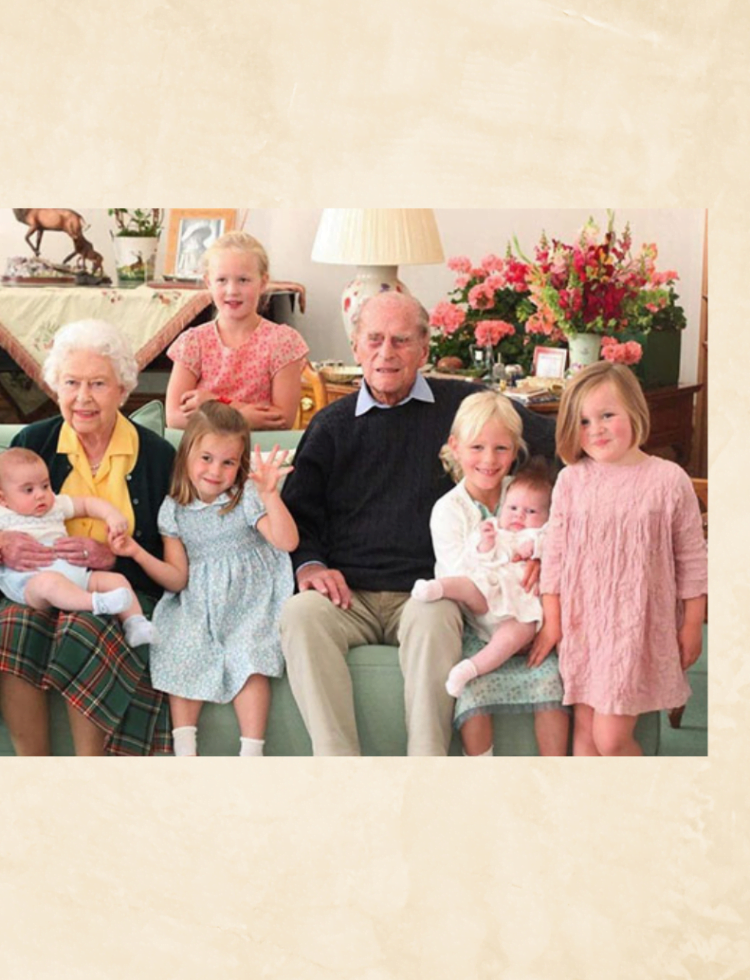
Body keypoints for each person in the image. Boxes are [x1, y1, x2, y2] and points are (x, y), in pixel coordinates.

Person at [279, 291, 556, 756]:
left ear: (424, 349)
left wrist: (551, 546)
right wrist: (308, 565)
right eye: (375, 339)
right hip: (348, 595)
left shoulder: (463, 405)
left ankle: (424, 772)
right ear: (355, 347)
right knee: (299, 614)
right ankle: (337, 768)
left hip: (425, 590)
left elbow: (558, 444)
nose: (386, 352)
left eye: (402, 340)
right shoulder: (331, 426)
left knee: (435, 616)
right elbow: (297, 514)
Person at [0, 319, 176, 756]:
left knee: (85, 624)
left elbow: (171, 553)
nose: (83, 397)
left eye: (98, 383)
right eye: (71, 382)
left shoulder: (156, 456)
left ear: (122, 390)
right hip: (31, 586)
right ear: (57, 386)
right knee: (10, 624)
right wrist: (3, 550)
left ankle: (87, 773)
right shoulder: (33, 442)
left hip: (118, 590)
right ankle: (34, 773)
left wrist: (114, 559)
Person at [529, 361, 707, 756]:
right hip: (584, 625)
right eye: (585, 421)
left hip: (635, 628)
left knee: (611, 739)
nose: (596, 430)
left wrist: (693, 622)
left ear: (635, 411)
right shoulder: (573, 480)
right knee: (585, 737)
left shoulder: (667, 480)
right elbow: (554, 558)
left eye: (607, 415)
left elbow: (692, 558)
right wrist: (554, 622)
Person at [111, 402, 298, 756]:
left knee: (250, 656)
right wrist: (136, 552)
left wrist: (270, 494)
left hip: (250, 598)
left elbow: (286, 542)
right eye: (207, 458)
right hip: (198, 598)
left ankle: (252, 753)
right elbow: (177, 579)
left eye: (228, 462)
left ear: (239, 464)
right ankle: (186, 751)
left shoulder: (244, 497)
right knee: (180, 646)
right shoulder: (174, 509)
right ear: (186, 456)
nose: (216, 471)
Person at [414, 392, 568, 756]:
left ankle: (558, 774)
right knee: (473, 693)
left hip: (528, 618)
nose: (488, 460)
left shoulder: (526, 494)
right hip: (480, 626)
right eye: (477, 447)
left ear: (515, 450)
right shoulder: (449, 510)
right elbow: (464, 578)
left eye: (501, 449)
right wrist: (502, 556)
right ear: (455, 447)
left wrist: (540, 561)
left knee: (552, 686)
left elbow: (559, 538)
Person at [0, 447, 157, 647]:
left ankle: (136, 624)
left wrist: (111, 516)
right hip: (29, 582)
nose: (40, 495)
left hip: (73, 572)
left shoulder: (55, 505)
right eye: (28, 490)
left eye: (45, 485)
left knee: (115, 580)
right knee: (50, 583)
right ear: (2, 497)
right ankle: (95, 603)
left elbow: (87, 504)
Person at [414, 448, 553, 697]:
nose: (520, 515)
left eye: (531, 512)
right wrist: (485, 544)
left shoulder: (542, 533)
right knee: (468, 584)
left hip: (521, 608)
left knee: (516, 634)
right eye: (512, 509)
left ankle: (470, 669)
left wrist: (538, 551)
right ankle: (436, 588)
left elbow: (560, 546)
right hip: (488, 592)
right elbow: (476, 559)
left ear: (546, 517)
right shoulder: (494, 528)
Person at [165, 231, 308, 430]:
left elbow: (282, 419)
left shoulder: (282, 342)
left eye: (243, 280)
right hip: (207, 457)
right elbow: (173, 417)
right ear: (208, 283)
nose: (232, 290)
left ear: (263, 282)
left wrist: (215, 404)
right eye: (222, 280)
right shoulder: (193, 342)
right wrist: (243, 417)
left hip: (261, 455)